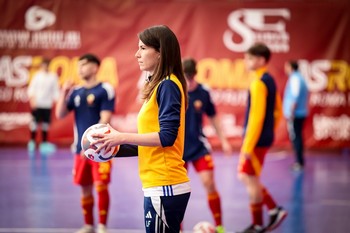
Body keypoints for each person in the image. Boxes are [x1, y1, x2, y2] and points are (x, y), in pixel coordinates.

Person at [92, 25, 191, 233]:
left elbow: (166, 138)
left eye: (143, 48)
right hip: (160, 185)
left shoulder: (168, 85)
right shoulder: (162, 85)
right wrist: (111, 148)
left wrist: (120, 136)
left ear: (160, 52)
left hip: (165, 184)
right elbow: (151, 144)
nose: (137, 54)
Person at [55, 54, 115, 233]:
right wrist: (64, 92)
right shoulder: (76, 92)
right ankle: (89, 225)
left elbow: (104, 119)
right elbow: (60, 114)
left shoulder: (105, 89)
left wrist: (90, 147)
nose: (80, 68)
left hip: (101, 149)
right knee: (85, 188)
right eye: (78, 65)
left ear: (95, 67)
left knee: (101, 185)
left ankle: (102, 226)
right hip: (79, 151)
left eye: (84, 65)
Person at [237, 43, 287, 233]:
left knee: (248, 178)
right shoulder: (269, 79)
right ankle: (273, 210)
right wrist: (269, 130)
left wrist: (247, 147)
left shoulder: (258, 83)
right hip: (263, 138)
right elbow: (278, 110)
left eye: (249, 58)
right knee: (249, 177)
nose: (246, 61)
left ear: (260, 60)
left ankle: (260, 222)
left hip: (255, 141)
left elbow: (256, 118)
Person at [182, 58, 232, 233]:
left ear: (195, 75)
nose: (188, 81)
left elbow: (213, 117)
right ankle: (177, 229)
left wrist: (224, 140)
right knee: (177, 192)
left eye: (190, 77)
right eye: (184, 77)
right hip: (177, 150)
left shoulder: (203, 92)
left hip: (198, 147)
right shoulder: (174, 91)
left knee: (209, 183)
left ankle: (219, 227)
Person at [27, 58, 59, 154]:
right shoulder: (37, 76)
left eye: (47, 65)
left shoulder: (53, 77)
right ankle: (32, 142)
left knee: (45, 124)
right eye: (43, 65)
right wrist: (33, 100)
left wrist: (58, 100)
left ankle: (44, 144)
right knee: (34, 124)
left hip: (47, 104)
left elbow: (55, 91)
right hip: (37, 104)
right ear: (41, 66)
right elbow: (31, 89)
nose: (45, 67)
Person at [283, 60, 309, 171]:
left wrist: (291, 113)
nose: (285, 69)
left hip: (296, 114)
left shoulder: (295, 79)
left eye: (286, 66)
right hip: (298, 113)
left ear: (290, 67)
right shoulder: (298, 78)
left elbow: (295, 96)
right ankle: (299, 161)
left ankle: (299, 162)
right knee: (297, 137)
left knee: (296, 137)